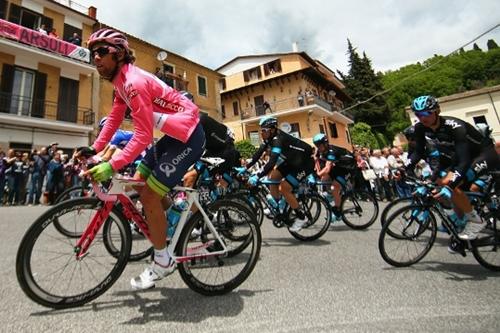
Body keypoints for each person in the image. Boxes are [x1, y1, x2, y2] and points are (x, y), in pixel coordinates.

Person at [79, 28, 205, 290]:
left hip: (190, 137)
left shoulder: (133, 83)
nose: (96, 58)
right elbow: (114, 119)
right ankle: (171, 218)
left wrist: (111, 164)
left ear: (120, 54)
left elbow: (142, 135)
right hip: (173, 135)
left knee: (148, 195)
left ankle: (163, 262)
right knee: (137, 183)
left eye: (102, 52)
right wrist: (95, 148)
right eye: (93, 53)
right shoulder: (121, 83)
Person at [407, 95, 499, 240]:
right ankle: (461, 218)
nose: (422, 118)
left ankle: (476, 221)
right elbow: (418, 151)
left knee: (452, 185)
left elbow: (464, 160)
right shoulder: (420, 128)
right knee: (443, 183)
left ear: (437, 111)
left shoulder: (455, 126)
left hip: (483, 154)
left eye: (426, 113)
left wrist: (453, 182)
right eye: (418, 114)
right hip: (461, 157)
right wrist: (406, 167)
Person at [237, 116, 314, 232]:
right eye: (261, 130)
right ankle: (279, 205)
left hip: (304, 164)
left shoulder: (278, 140)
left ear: (272, 130)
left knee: (284, 187)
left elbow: (272, 162)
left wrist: (258, 176)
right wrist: (245, 168)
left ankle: (301, 217)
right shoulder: (269, 139)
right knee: (274, 176)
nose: (261, 133)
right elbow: (258, 154)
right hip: (292, 162)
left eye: (264, 130)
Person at [312, 133, 356, 221]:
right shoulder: (321, 151)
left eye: (319, 145)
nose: (318, 147)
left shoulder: (331, 151)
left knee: (335, 186)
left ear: (325, 143)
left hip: (349, 168)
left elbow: (327, 168)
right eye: (316, 145)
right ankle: (332, 195)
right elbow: (314, 160)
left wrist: (316, 175)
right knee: (324, 179)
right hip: (339, 167)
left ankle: (338, 212)